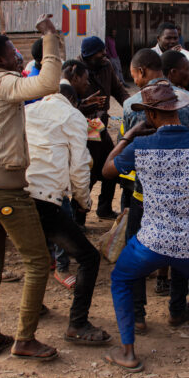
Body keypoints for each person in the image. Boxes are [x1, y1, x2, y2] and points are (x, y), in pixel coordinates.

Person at [102, 81, 189, 375]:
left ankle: (128, 352)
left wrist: (128, 136)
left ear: (151, 116)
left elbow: (107, 169)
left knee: (121, 279)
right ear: (178, 111)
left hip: (149, 243)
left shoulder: (140, 146)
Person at [0, 14, 61, 360]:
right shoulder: (0, 84)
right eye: (12, 52)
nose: (19, 56)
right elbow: (48, 84)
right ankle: (25, 339)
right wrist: (49, 36)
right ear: (0, 61)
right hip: (5, 191)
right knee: (37, 262)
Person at [25, 82, 111, 344]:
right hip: (46, 197)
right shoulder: (73, 115)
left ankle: (34, 308)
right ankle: (77, 324)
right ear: (73, 100)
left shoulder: (29, 110)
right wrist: (83, 201)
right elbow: (80, 165)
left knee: (36, 255)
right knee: (89, 258)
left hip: (20, 193)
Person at [122, 49, 189, 327]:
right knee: (181, 249)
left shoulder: (132, 103)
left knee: (134, 251)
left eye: (133, 75)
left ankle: (138, 316)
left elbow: (126, 149)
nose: (134, 79)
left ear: (142, 72)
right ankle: (177, 309)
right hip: (182, 194)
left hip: (144, 193)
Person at [77, 36, 130, 221]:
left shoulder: (106, 66)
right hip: (84, 128)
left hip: (101, 126)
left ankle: (104, 208)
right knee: (88, 173)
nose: (104, 54)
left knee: (111, 165)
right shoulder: (75, 70)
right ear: (88, 55)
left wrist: (131, 106)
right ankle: (79, 216)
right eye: (100, 52)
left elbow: (118, 89)